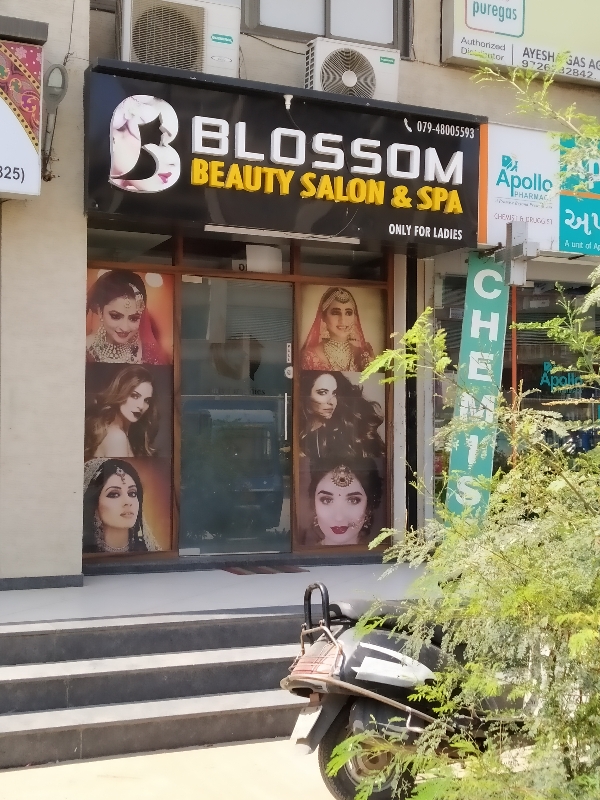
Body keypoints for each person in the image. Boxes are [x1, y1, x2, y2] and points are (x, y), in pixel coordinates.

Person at [86, 270, 168, 365]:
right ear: (100, 311)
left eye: (134, 318)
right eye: (115, 316)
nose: (124, 328)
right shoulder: (84, 349)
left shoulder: (148, 353)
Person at [300, 371, 385, 459]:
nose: (331, 402)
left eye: (334, 394)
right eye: (323, 393)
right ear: (306, 395)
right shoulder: (300, 434)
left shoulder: (346, 431)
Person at [83, 458, 160, 553]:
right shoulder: (82, 554)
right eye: (114, 494)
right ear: (94, 504)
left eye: (132, 493)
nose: (128, 501)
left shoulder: (147, 552)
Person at [85, 366, 159, 460]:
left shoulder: (120, 433)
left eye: (147, 400)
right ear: (121, 392)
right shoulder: (117, 437)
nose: (141, 406)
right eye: (134, 396)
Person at [306, 458, 383, 547]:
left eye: (353, 500)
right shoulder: (304, 554)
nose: (339, 518)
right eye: (326, 500)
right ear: (314, 505)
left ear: (368, 507)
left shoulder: (383, 554)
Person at [301, 287, 375, 372]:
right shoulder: (309, 356)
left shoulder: (364, 355)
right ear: (323, 317)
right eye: (336, 313)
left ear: (355, 317)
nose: (343, 320)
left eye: (348, 313)